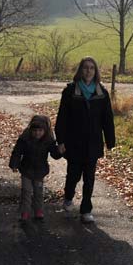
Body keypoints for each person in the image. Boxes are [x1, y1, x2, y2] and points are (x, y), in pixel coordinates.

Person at [55, 57, 115, 223]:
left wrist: (110, 141)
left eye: (91, 68)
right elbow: (62, 118)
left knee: (89, 178)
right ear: (80, 71)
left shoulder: (101, 93)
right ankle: (68, 197)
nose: (88, 71)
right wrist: (60, 141)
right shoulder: (70, 92)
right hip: (74, 142)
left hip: (93, 143)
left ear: (95, 72)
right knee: (73, 176)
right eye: (85, 68)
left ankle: (86, 210)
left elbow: (107, 119)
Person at [9, 115, 62, 222]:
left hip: (39, 171)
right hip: (26, 169)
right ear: (31, 130)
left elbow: (54, 154)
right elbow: (17, 152)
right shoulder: (24, 139)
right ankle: (25, 212)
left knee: (38, 191)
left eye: (40, 130)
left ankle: (38, 211)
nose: (37, 133)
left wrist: (60, 151)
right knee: (26, 191)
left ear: (45, 130)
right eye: (35, 130)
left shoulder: (48, 141)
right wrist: (14, 164)